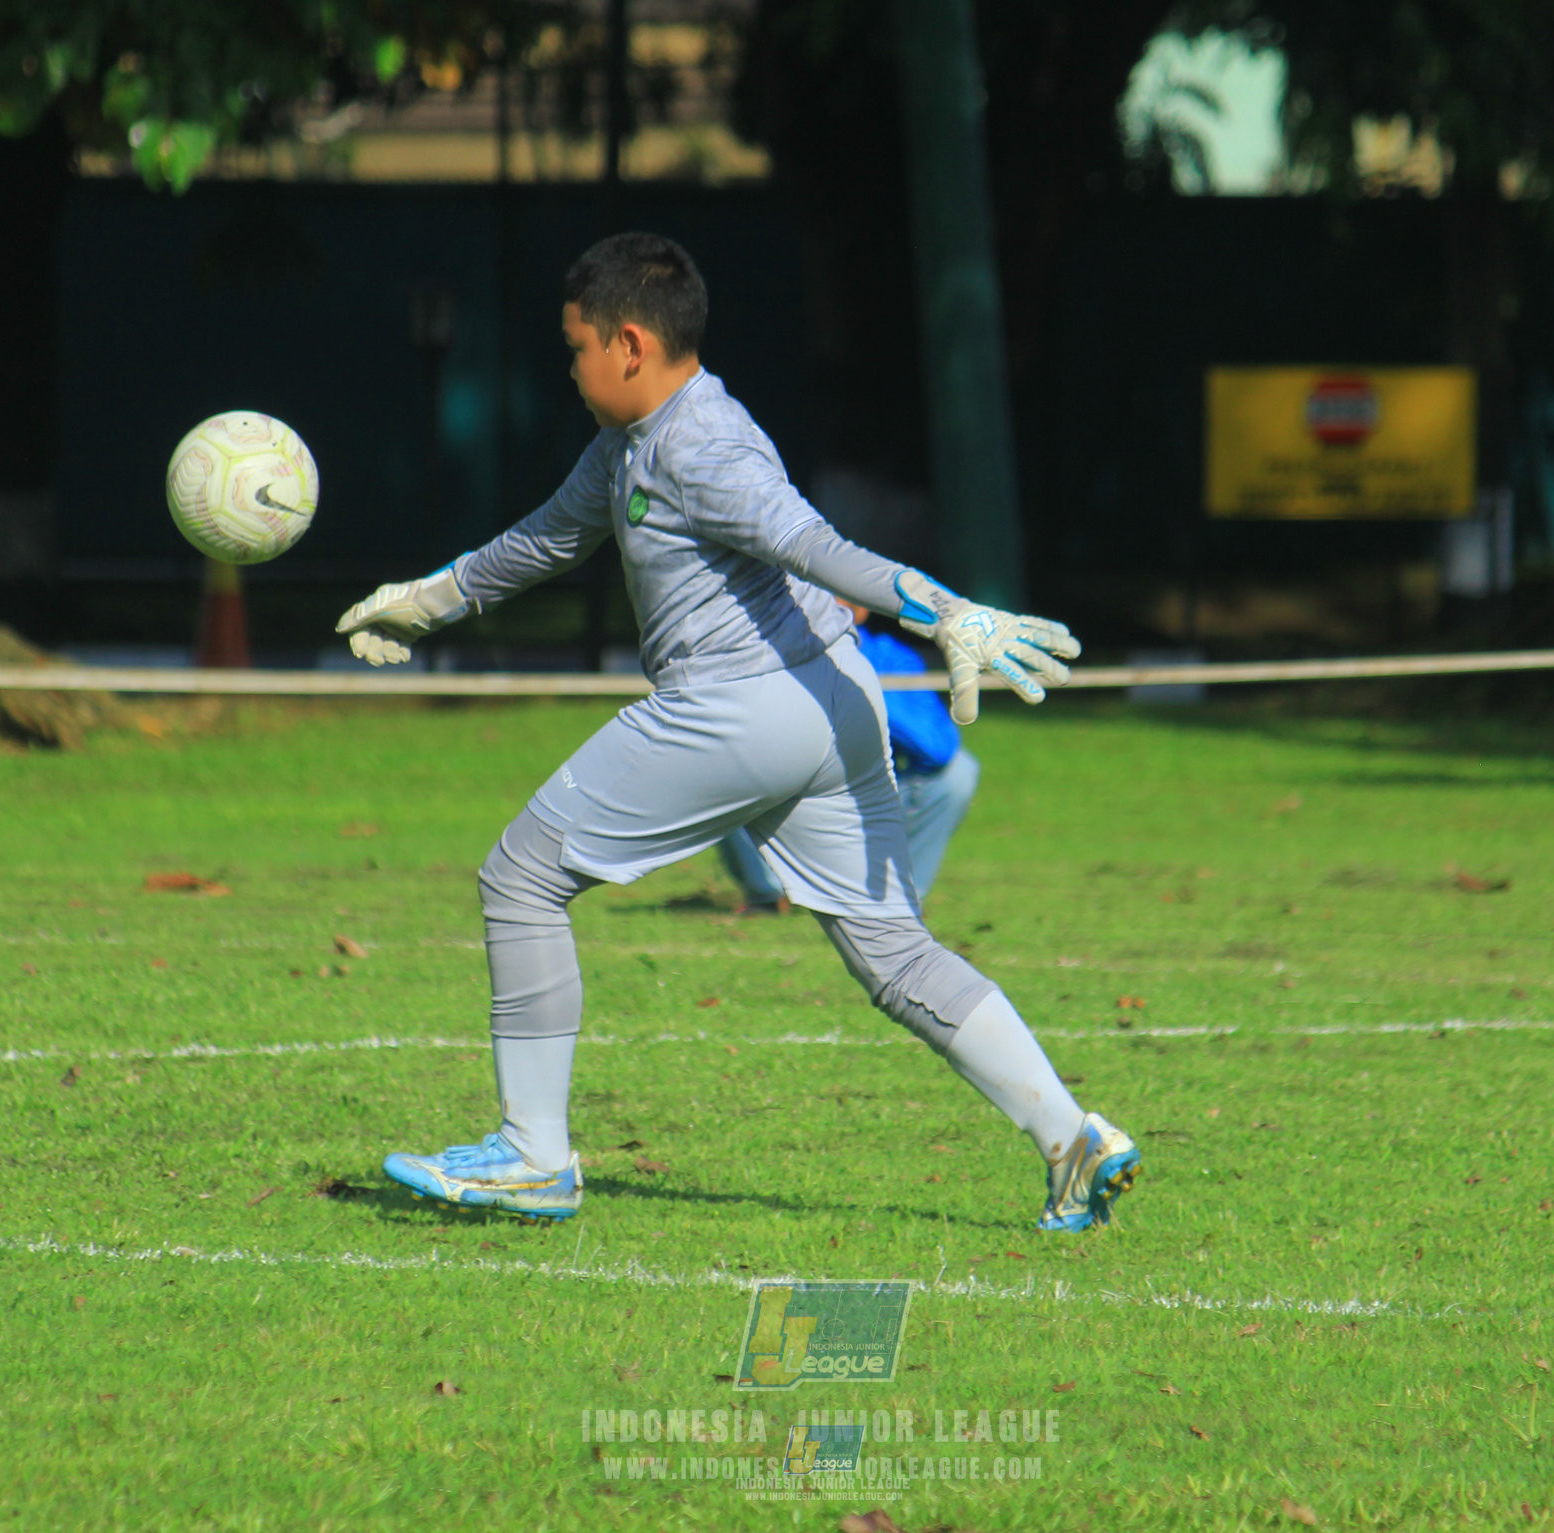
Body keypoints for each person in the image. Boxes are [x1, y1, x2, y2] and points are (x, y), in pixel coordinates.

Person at [335, 233, 1138, 1233]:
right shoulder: (628, 444)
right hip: (830, 705)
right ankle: (1072, 1138)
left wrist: (947, 612)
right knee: (894, 952)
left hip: (743, 707)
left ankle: (535, 1156)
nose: (570, 368)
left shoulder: (702, 446)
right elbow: (545, 537)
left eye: (576, 348)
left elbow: (815, 544)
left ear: (629, 345)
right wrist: (423, 600)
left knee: (521, 876)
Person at [716, 606, 978, 911]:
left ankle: (895, 899)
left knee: (959, 772)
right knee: (724, 761)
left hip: (866, 806)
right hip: (788, 806)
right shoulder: (762, 654)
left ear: (861, 611)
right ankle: (772, 895)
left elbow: (938, 750)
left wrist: (858, 688)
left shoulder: (892, 658)